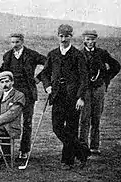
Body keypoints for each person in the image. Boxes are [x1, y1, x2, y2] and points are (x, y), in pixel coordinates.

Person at [40, 24, 91, 169]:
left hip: (73, 98)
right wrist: (47, 86)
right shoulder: (53, 54)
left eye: (66, 36)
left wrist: (81, 98)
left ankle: (67, 161)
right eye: (61, 36)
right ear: (58, 36)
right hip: (57, 96)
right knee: (57, 127)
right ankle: (82, 151)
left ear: (71, 37)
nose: (63, 39)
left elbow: (84, 78)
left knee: (71, 129)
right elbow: (44, 73)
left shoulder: (77, 55)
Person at [1, 33, 46, 162]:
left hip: (28, 94)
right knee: (8, 121)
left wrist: (39, 77)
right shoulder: (7, 56)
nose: (14, 45)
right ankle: (7, 152)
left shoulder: (32, 54)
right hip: (12, 94)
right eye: (12, 42)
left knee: (27, 123)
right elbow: (3, 72)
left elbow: (49, 63)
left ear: (22, 42)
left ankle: (24, 151)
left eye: (17, 42)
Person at [79, 30, 121, 156]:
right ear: (83, 40)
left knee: (96, 117)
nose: (90, 42)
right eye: (87, 39)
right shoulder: (79, 54)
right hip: (85, 90)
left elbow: (116, 66)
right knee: (84, 118)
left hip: (99, 88)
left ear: (96, 40)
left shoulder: (102, 53)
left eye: (92, 39)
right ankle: (83, 146)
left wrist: (105, 79)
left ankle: (95, 146)